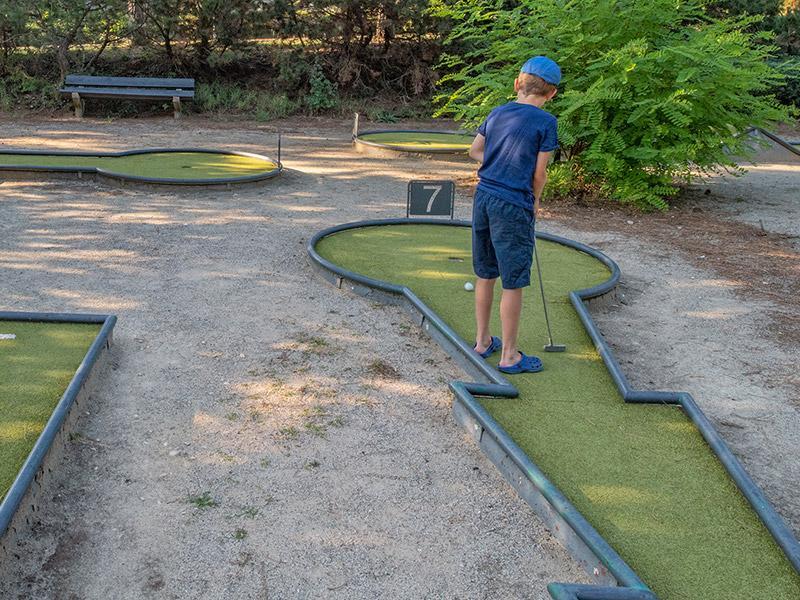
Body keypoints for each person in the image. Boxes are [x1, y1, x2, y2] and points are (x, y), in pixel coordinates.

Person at [468, 56, 560, 374]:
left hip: (484, 197)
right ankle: (509, 355)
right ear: (552, 94)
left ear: (517, 83)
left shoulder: (498, 112)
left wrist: (494, 166)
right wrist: (535, 201)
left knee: (485, 273)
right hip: (513, 205)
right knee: (513, 282)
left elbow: (475, 151)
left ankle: (482, 342)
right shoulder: (546, 123)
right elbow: (539, 174)